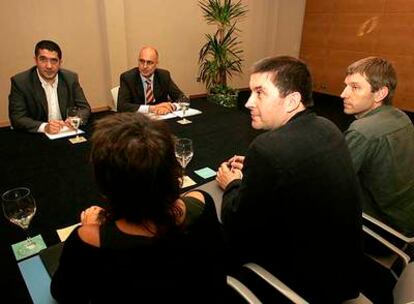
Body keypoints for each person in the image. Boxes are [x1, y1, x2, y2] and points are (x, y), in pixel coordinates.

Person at [216, 56, 362, 303]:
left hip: (306, 287)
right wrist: (257, 169)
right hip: (345, 274)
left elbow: (236, 222)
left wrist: (232, 182)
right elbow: (297, 173)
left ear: (292, 100)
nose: (249, 103)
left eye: (260, 93)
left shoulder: (268, 148)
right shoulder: (328, 127)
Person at [50, 113, 226, 303]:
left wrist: (95, 227)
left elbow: (63, 293)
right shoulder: (201, 202)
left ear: (104, 185)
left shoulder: (88, 239)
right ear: (172, 171)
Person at [341, 57, 414, 237]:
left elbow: (331, 183)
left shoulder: (362, 131)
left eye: (355, 87)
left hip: (383, 233)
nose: (343, 94)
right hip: (406, 222)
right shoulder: (402, 117)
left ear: (380, 94)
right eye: (346, 85)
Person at [8, 40, 91, 134]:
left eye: (54, 60)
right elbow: (17, 118)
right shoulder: (21, 82)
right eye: (43, 59)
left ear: (60, 62)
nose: (49, 66)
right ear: (35, 60)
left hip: (65, 133)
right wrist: (45, 127)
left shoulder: (70, 78)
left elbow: (85, 108)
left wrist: (76, 119)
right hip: (35, 137)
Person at [117, 46, 186, 114]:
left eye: (149, 62)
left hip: (161, 118)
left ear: (156, 63)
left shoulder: (164, 76)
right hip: (137, 120)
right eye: (142, 61)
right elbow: (122, 107)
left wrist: (171, 107)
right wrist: (152, 108)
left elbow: (183, 99)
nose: (144, 66)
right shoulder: (128, 78)